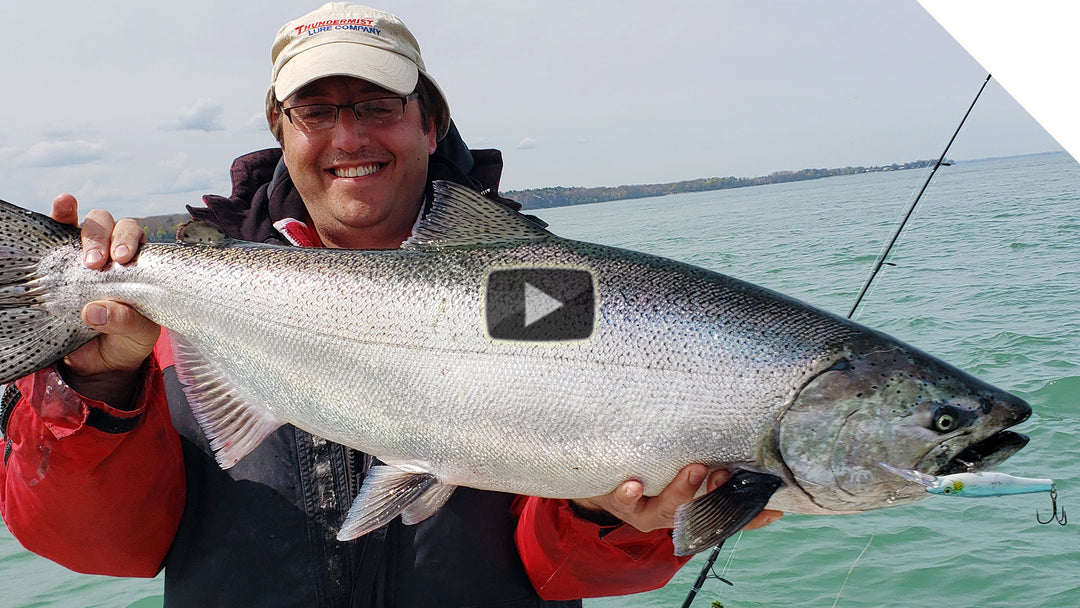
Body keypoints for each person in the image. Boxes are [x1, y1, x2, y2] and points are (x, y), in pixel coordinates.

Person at [0, 3, 780, 606]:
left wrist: (620, 518)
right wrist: (95, 384)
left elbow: (556, 566)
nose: (349, 135)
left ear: (429, 123)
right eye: (316, 110)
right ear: (281, 130)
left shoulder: (546, 297)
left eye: (377, 104)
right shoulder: (181, 308)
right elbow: (108, 550)